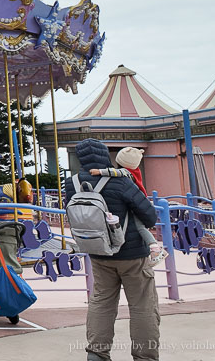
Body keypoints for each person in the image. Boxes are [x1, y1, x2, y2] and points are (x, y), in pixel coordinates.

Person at [64, 139, 159, 361]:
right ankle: (145, 357)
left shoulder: (72, 183)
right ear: (105, 155)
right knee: (142, 306)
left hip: (99, 253)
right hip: (133, 255)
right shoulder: (121, 181)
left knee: (101, 303)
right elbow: (150, 216)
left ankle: (97, 354)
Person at [89, 147, 167, 264]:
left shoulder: (127, 172)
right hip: (139, 201)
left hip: (136, 203)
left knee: (140, 227)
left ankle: (155, 248)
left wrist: (100, 172)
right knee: (141, 227)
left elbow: (116, 172)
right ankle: (153, 248)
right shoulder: (136, 171)